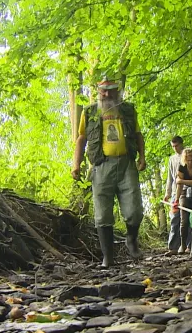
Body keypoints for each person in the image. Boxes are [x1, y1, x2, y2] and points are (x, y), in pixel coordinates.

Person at [71, 75, 146, 267]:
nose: (106, 94)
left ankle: (131, 239)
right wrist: (76, 164)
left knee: (134, 210)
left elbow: (138, 135)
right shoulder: (90, 112)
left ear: (117, 91)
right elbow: (81, 139)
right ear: (98, 92)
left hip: (127, 164)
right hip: (101, 166)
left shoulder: (128, 110)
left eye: (110, 90)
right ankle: (108, 258)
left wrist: (142, 158)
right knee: (103, 214)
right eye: (102, 90)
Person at [164, 136, 184, 254]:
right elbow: (170, 177)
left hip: (186, 191)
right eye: (173, 146)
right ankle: (172, 247)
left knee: (186, 220)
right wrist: (168, 192)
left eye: (176, 146)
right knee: (174, 220)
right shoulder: (172, 159)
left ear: (181, 144)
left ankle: (186, 246)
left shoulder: (187, 155)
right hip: (175, 192)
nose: (175, 148)